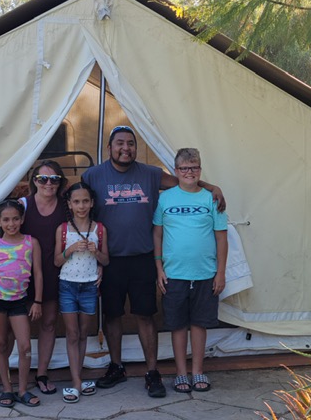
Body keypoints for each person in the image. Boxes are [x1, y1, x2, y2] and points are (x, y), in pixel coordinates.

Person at [82, 125, 225, 398]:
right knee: (112, 315)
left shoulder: (150, 174)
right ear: (109, 147)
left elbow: (185, 181)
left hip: (143, 258)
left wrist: (211, 186)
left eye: (131, 144)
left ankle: (152, 371)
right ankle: (116, 366)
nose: (126, 148)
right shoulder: (93, 175)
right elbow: (77, 202)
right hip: (109, 259)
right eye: (120, 143)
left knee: (145, 315)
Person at [0, 161, 68, 397]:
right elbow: (3, 230)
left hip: (48, 270)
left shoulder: (65, 205)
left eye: (54, 179)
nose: (48, 183)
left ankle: (41, 375)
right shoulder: (22, 205)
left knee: (48, 323)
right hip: (15, 277)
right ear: (34, 181)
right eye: (42, 179)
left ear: (60, 182)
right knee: (7, 332)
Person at [153, 148, 228, 394]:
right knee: (177, 325)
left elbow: (221, 238)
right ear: (176, 171)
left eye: (194, 167)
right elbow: (158, 233)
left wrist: (220, 273)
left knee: (199, 324)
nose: (189, 172)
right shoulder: (166, 198)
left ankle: (197, 371)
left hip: (205, 273)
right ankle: (181, 373)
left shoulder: (211, 199)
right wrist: (159, 267)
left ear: (200, 170)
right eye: (184, 168)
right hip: (174, 274)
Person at [0, 199, 43, 408]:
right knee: (1, 344)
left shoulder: (31, 242)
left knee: (24, 346)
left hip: (19, 302)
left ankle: (23, 390)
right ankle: (6, 389)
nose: (11, 223)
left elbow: (38, 273)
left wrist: (38, 301)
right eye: (6, 220)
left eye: (15, 219)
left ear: (22, 219)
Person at [54, 182, 109, 403]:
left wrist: (97, 253)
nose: (81, 206)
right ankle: (76, 381)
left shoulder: (100, 229)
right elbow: (56, 261)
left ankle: (79, 377)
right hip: (67, 284)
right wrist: (70, 249)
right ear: (69, 204)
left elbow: (106, 259)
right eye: (76, 202)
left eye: (85, 201)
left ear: (92, 202)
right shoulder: (63, 229)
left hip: (89, 286)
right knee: (72, 333)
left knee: (84, 333)